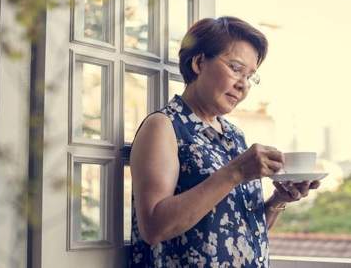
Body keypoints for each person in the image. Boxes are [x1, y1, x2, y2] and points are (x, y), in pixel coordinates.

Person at [128, 16, 321, 267]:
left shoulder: (234, 135)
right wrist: (236, 172)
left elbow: (244, 229)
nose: (243, 85)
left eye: (250, 76)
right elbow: (154, 228)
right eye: (236, 68)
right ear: (199, 63)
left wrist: (278, 200)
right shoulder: (164, 126)